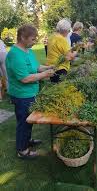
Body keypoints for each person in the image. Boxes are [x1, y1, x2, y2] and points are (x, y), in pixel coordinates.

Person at [5, 24, 55, 159]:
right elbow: (25, 78)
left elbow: (36, 67)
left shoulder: (28, 51)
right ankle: (22, 151)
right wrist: (45, 75)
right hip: (21, 95)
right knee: (23, 121)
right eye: (33, 39)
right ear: (22, 38)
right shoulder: (15, 55)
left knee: (29, 120)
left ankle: (26, 141)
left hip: (31, 93)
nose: (35, 42)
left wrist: (48, 67)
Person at [46, 19, 77, 83]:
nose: (68, 32)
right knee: (60, 87)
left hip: (51, 67)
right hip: (60, 68)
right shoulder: (61, 39)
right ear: (65, 30)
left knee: (54, 87)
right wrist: (76, 52)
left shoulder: (52, 37)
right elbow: (70, 56)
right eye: (68, 30)